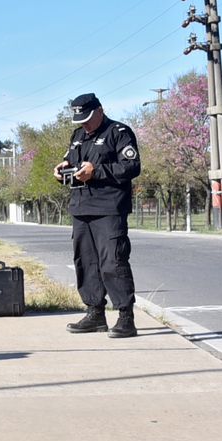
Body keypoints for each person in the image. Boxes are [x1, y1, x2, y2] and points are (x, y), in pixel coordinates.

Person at [57, 93, 142, 339]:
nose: (84, 124)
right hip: (81, 208)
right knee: (86, 262)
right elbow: (71, 162)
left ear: (100, 111)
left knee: (113, 262)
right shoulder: (78, 136)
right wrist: (61, 169)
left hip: (109, 209)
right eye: (80, 120)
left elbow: (132, 167)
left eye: (87, 119)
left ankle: (126, 317)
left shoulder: (119, 132)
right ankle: (95, 313)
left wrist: (97, 171)